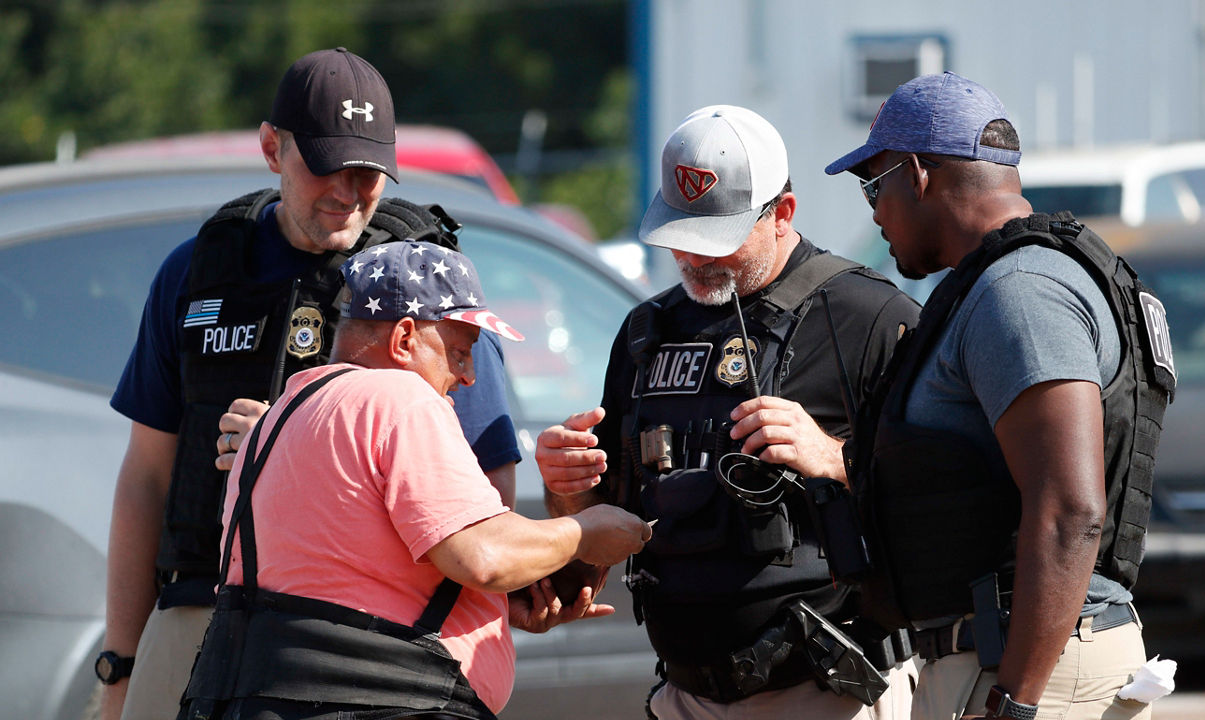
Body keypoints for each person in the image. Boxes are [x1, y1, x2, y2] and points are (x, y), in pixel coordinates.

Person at [100, 48, 521, 720]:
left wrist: (287, 450)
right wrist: (118, 664)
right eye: (327, 165)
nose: (348, 193)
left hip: (354, 642)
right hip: (196, 611)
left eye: (369, 173)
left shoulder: (421, 279)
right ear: (272, 147)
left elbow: (488, 488)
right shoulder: (198, 271)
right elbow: (145, 479)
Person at [536, 105, 920, 720]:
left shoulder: (867, 317)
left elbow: (949, 492)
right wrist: (566, 492)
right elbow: (603, 533)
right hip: (686, 695)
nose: (694, 259)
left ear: (783, 214)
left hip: (831, 693)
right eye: (680, 237)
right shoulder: (647, 331)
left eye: (716, 240)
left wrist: (833, 457)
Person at [824, 72, 1177, 720]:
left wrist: (1015, 702)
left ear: (919, 175)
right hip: (1011, 660)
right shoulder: (999, 283)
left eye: (876, 185)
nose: (874, 211)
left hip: (1034, 669)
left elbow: (1071, 508)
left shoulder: (1020, 291)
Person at [176, 240, 652, 719]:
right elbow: (481, 556)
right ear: (404, 339)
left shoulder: (280, 415)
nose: (468, 377)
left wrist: (494, 606)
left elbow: (342, 580)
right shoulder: (400, 398)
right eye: (461, 353)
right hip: (375, 702)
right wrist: (586, 532)